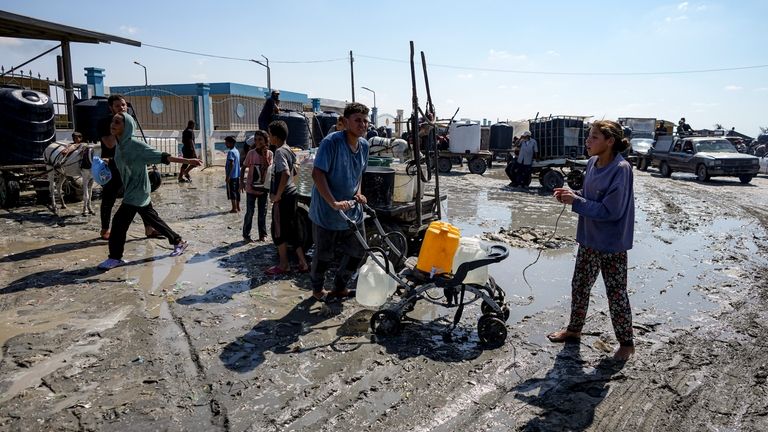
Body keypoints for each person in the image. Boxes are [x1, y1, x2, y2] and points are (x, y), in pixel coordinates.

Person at [548, 120, 636, 361]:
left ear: (610, 141)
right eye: (589, 136)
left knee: (616, 293)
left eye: (594, 137)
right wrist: (572, 196)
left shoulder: (621, 169)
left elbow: (612, 211)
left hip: (611, 244)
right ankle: (574, 330)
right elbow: (590, 199)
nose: (588, 141)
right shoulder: (591, 162)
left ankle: (626, 344)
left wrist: (576, 202)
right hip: (589, 239)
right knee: (580, 286)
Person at [97, 112, 202, 270]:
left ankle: (115, 257)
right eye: (113, 121)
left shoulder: (135, 145)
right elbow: (125, 161)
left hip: (137, 191)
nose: (113, 124)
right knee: (152, 219)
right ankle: (178, 241)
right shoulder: (120, 144)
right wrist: (108, 161)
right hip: (132, 189)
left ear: (127, 126)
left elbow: (163, 156)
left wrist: (188, 161)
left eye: (118, 122)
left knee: (118, 223)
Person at [308, 102, 370, 302]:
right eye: (357, 120)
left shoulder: (364, 146)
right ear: (345, 122)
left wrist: (358, 193)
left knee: (359, 250)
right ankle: (317, 289)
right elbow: (317, 174)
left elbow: (358, 174)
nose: (362, 124)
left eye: (365, 121)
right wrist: (333, 202)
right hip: (327, 211)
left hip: (352, 209)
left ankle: (340, 287)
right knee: (324, 254)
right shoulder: (331, 142)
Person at [98, 94, 159, 240]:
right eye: (118, 106)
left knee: (143, 196)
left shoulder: (129, 121)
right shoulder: (105, 122)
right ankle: (105, 230)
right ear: (111, 108)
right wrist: (119, 129)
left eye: (124, 105)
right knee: (109, 198)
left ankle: (149, 228)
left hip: (131, 165)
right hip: (112, 165)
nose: (122, 108)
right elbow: (109, 144)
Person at [265, 120, 309, 275]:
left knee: (279, 231)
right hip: (292, 193)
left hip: (283, 197)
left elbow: (286, 172)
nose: (268, 138)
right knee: (292, 229)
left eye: (269, 135)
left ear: (276, 137)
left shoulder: (279, 152)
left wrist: (277, 194)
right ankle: (303, 263)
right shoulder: (289, 150)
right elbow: (295, 171)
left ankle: (284, 265)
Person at [241, 130, 273, 242]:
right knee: (250, 212)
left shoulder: (270, 154)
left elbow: (269, 169)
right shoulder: (251, 153)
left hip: (263, 189)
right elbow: (244, 167)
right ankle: (246, 234)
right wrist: (241, 182)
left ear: (266, 141)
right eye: (255, 139)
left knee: (262, 213)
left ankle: (262, 234)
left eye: (260, 139)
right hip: (251, 188)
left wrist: (264, 156)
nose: (257, 142)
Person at [224, 136, 241, 213]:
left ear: (231, 143)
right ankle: (238, 207)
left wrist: (228, 176)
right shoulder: (236, 151)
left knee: (232, 191)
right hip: (237, 175)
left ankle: (234, 208)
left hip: (232, 176)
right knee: (237, 191)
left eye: (226, 142)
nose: (225, 144)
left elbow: (231, 163)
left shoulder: (231, 152)